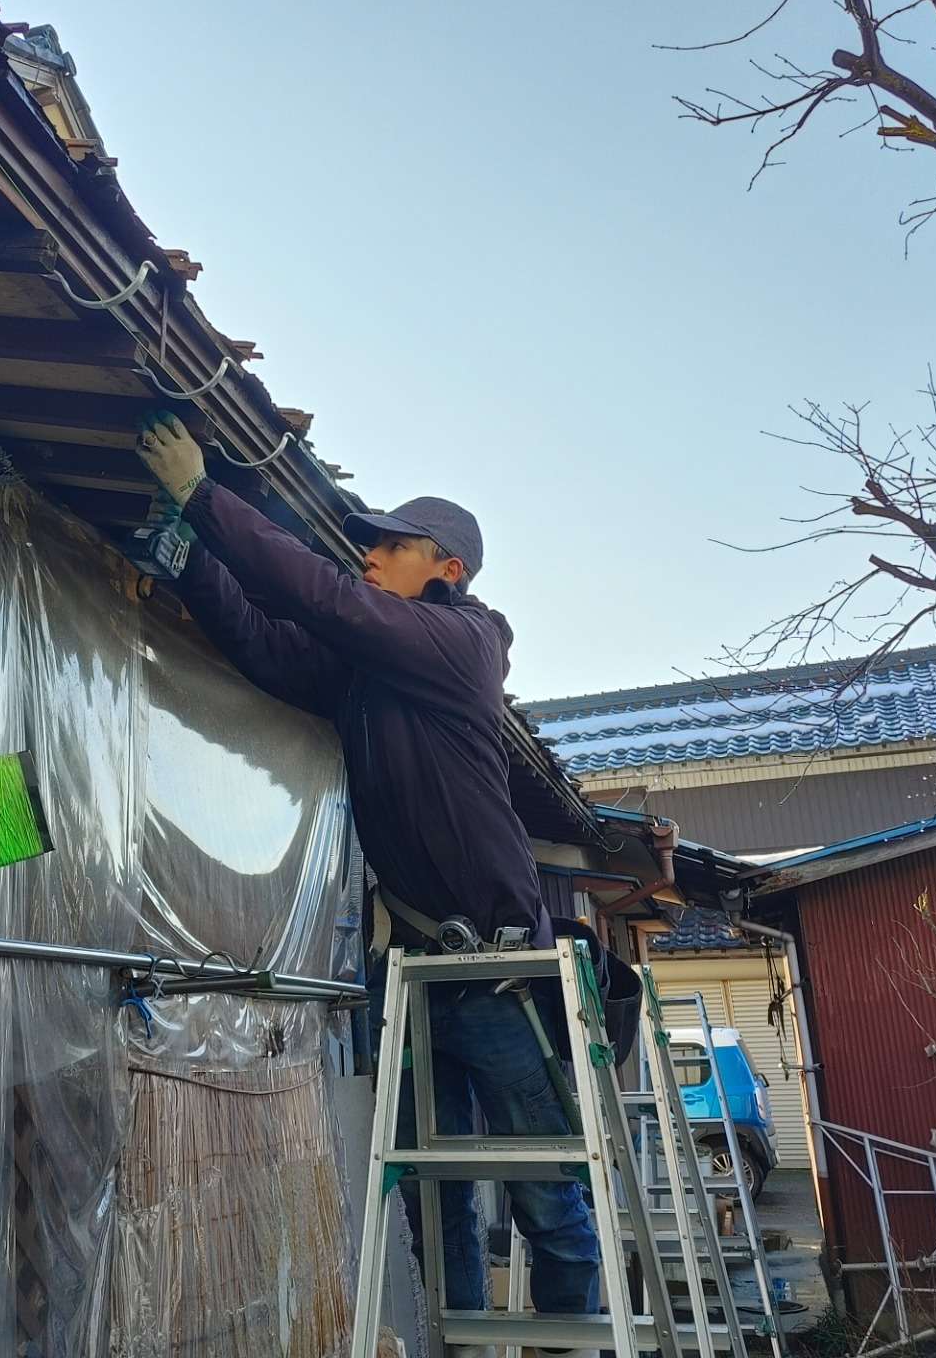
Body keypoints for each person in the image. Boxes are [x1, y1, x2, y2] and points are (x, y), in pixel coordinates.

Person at [134, 415, 603, 1325]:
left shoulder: (463, 645)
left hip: (499, 972)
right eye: (372, 544)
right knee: (437, 1197)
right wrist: (190, 557)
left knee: (546, 1186)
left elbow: (328, 603)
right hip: (423, 970)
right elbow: (273, 648)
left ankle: (570, 1340)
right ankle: (462, 1344)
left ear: (449, 569)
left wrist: (205, 498)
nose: (371, 557)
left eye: (395, 546)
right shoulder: (368, 672)